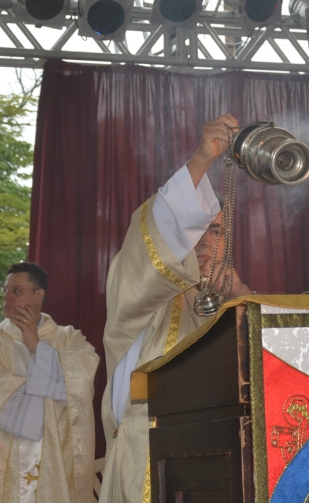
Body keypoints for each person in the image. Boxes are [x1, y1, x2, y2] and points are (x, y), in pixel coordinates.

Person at [98, 114, 254, 503]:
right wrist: (201, 161)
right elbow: (152, 240)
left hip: (222, 462)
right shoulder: (145, 299)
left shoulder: (235, 295)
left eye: (215, 232)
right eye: (194, 230)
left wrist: (241, 296)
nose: (203, 242)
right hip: (148, 455)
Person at [0, 262, 98, 503]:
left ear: (39, 295)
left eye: (16, 290)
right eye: (4, 290)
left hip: (52, 460)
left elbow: (81, 383)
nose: (7, 296)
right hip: (2, 457)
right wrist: (49, 389)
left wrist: (36, 345)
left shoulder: (70, 339)